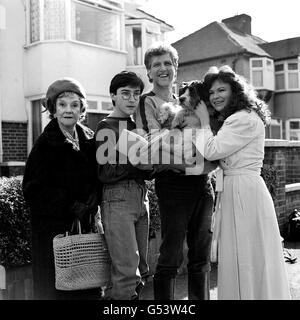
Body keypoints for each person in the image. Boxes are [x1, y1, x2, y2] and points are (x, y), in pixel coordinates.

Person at [193, 65, 291, 300]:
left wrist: (203, 120)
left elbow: (211, 149)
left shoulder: (242, 118)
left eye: (221, 90)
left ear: (235, 91)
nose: (215, 96)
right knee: (243, 256)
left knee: (246, 256)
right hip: (238, 189)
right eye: (212, 93)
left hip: (243, 192)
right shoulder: (239, 117)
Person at [135, 42, 217, 300]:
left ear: (175, 68)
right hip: (173, 185)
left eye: (167, 63)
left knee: (201, 255)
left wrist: (201, 163)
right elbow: (152, 146)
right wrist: (192, 161)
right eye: (156, 64)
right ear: (148, 73)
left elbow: (209, 138)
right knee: (171, 255)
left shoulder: (186, 98)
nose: (162, 68)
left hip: (202, 184)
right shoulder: (147, 102)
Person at [22, 77, 101, 300]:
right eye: (62, 105)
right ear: (53, 110)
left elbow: (97, 177)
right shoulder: (44, 145)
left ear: (82, 109)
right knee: (58, 291)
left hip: (84, 229)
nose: (69, 110)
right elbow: (32, 190)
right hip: (53, 234)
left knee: (88, 287)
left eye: (75, 105)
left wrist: (93, 199)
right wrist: (69, 205)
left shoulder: (89, 139)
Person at [95, 71, 154, 300]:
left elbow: (149, 172)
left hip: (141, 196)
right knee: (127, 273)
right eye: (125, 93)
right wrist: (136, 159)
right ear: (113, 96)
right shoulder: (106, 126)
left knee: (142, 270)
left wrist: (151, 161)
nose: (131, 99)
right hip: (117, 198)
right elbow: (105, 171)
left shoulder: (137, 125)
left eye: (136, 94)